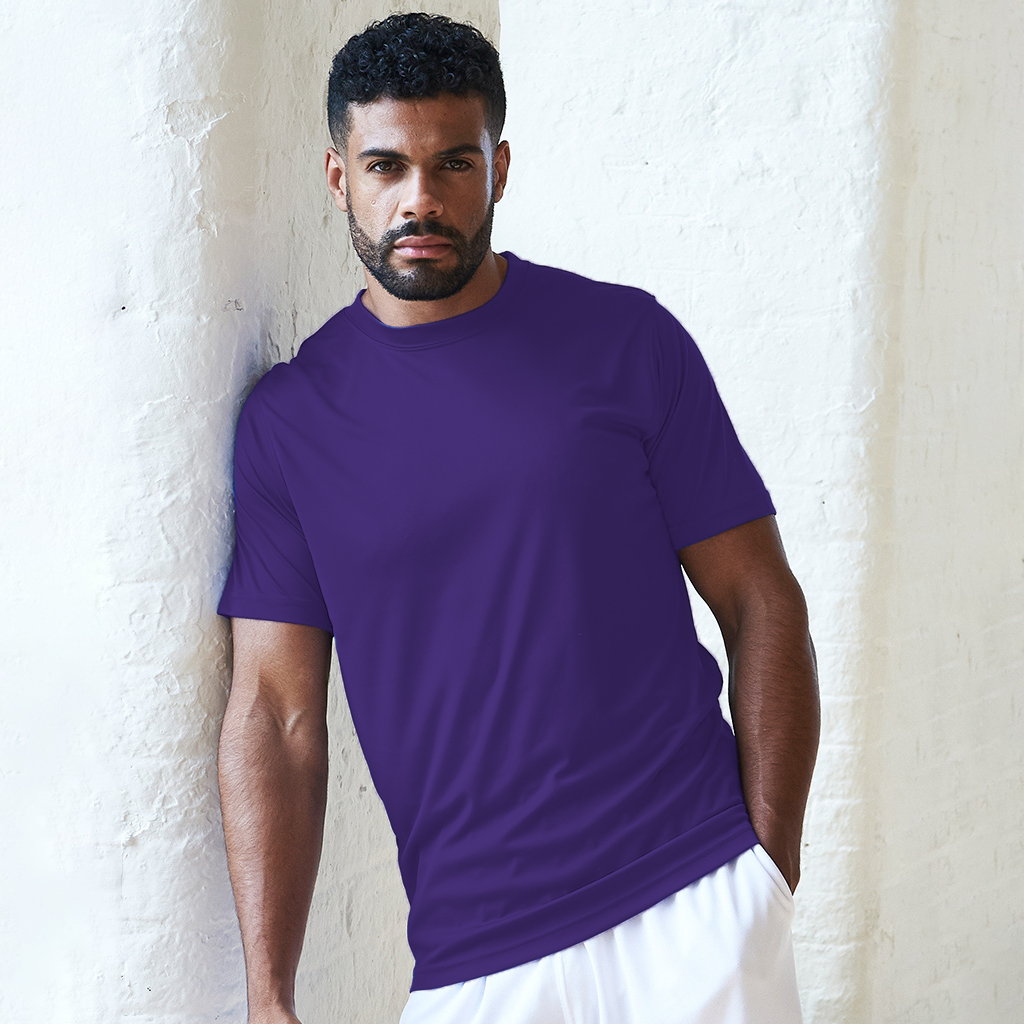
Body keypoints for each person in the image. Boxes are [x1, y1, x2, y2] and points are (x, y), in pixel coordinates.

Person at [216, 12, 820, 1024]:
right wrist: (269, 996)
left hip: (693, 902)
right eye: (385, 166)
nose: (419, 198)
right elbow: (275, 714)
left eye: (453, 163)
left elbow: (761, 599)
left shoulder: (625, 340)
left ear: (498, 167)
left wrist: (766, 870)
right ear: (338, 178)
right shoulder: (291, 423)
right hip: (475, 956)